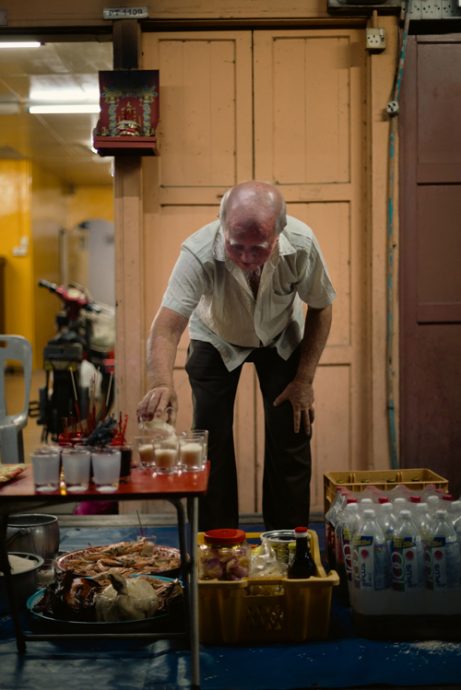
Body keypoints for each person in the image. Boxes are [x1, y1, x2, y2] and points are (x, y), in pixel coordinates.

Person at [137, 181, 335, 531]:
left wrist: (304, 379)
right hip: (215, 336)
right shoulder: (198, 251)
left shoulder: (301, 244)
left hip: (279, 338)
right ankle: (218, 544)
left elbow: (320, 307)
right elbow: (167, 326)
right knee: (210, 445)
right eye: (235, 245)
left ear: (278, 233)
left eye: (257, 248)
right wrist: (161, 383)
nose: (245, 257)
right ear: (222, 225)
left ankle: (286, 542)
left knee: (291, 435)